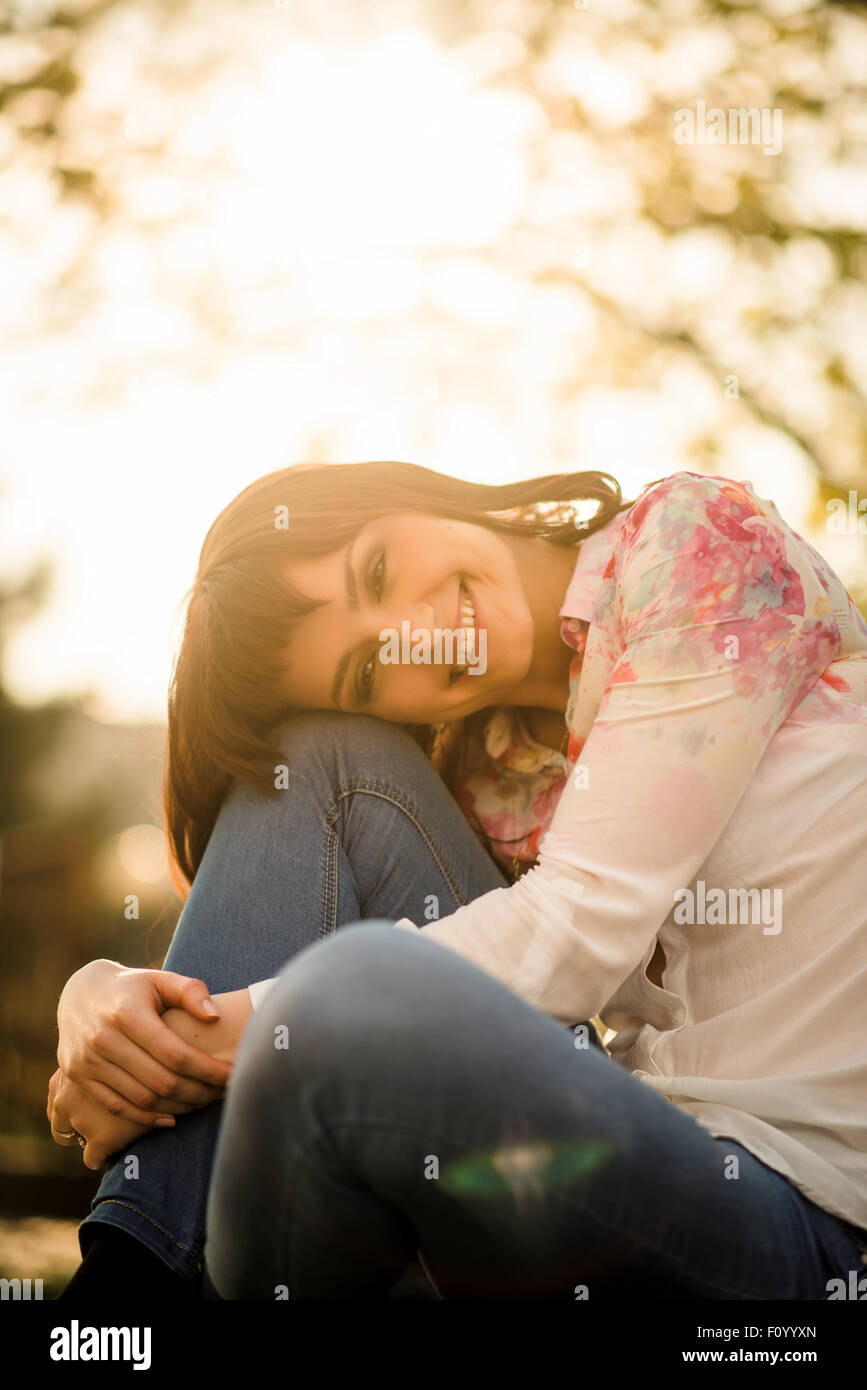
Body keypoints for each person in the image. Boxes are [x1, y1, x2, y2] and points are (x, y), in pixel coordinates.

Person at [50, 462, 867, 1300]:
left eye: (376, 569)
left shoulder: (691, 540)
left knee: (354, 988)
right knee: (315, 758)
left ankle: (134, 1302)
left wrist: (172, 1050)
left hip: (806, 1228)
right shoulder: (486, 769)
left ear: (398, 493)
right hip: (614, 1146)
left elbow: (579, 927)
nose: (415, 632)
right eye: (369, 673)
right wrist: (101, 997)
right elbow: (312, 910)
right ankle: (129, 1281)